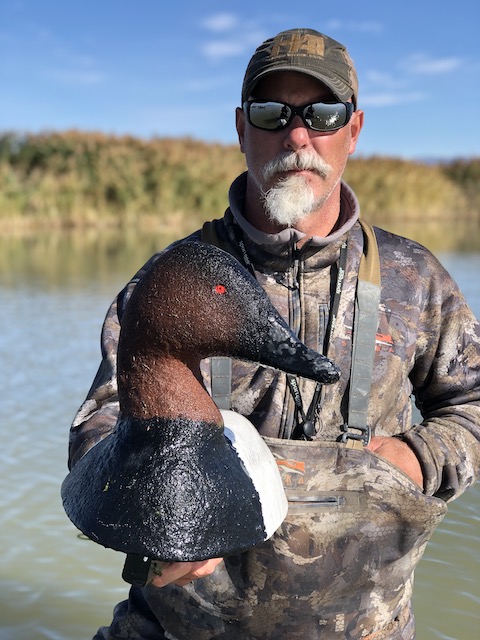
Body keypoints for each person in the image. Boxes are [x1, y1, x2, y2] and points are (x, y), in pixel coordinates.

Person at [67, 28, 480, 639]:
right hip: (183, 628)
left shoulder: (414, 280)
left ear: (354, 130)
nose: (297, 135)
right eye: (271, 114)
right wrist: (157, 509)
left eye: (323, 113)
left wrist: (414, 459)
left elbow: (472, 405)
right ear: (240, 129)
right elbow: (98, 427)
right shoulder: (172, 283)